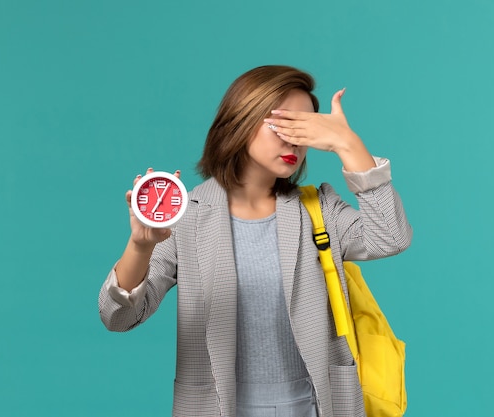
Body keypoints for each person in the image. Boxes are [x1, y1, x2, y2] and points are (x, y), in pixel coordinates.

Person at [99, 65, 412, 417]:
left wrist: (347, 143)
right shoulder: (186, 217)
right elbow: (119, 317)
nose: (295, 139)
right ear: (241, 119)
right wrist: (140, 245)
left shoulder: (319, 210)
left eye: (306, 129)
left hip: (317, 406)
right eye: (284, 123)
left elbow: (390, 236)